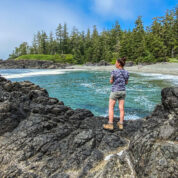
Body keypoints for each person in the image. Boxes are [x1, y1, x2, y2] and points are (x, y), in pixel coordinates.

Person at [103, 57, 129, 130]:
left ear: (119, 64)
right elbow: (126, 82)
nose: (115, 64)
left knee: (111, 107)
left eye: (116, 62)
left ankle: (110, 124)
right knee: (121, 108)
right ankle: (121, 124)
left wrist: (113, 80)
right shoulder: (127, 72)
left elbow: (111, 82)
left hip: (115, 91)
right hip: (123, 91)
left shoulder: (114, 71)